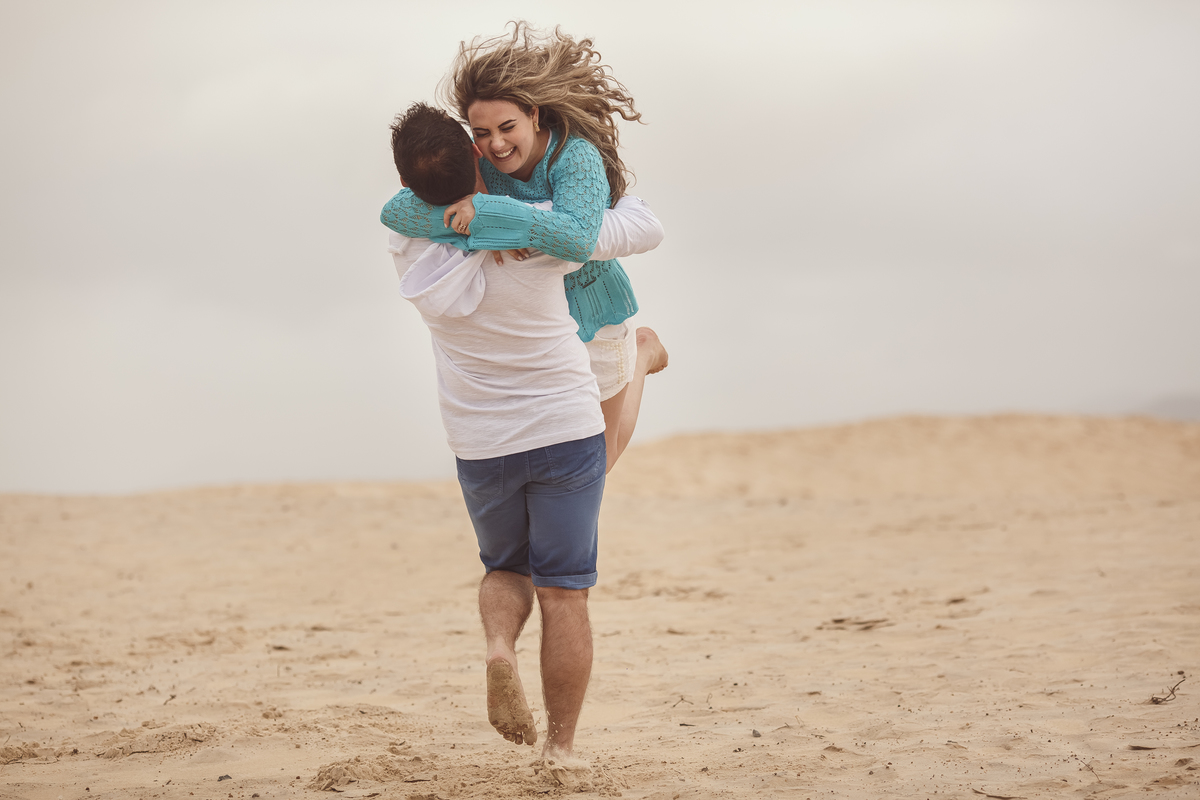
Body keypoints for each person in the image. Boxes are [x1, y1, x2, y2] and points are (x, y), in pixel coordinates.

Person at [386, 102, 664, 759]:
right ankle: (559, 750)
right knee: (565, 591)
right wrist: (510, 216)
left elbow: (398, 212)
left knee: (504, 566)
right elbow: (636, 228)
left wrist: (469, 215)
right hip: (562, 429)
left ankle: (499, 647)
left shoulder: (405, 244)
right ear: (477, 156)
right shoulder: (538, 233)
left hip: (480, 442)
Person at [381, 22, 668, 474]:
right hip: (544, 328)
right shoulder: (482, 162)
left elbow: (575, 238)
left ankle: (643, 351)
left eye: (507, 127)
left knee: (600, 463)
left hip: (595, 312)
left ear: (534, 115)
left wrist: (493, 215)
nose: (495, 144)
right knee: (576, 468)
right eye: (480, 133)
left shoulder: (575, 157)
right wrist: (483, 223)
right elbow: (398, 212)